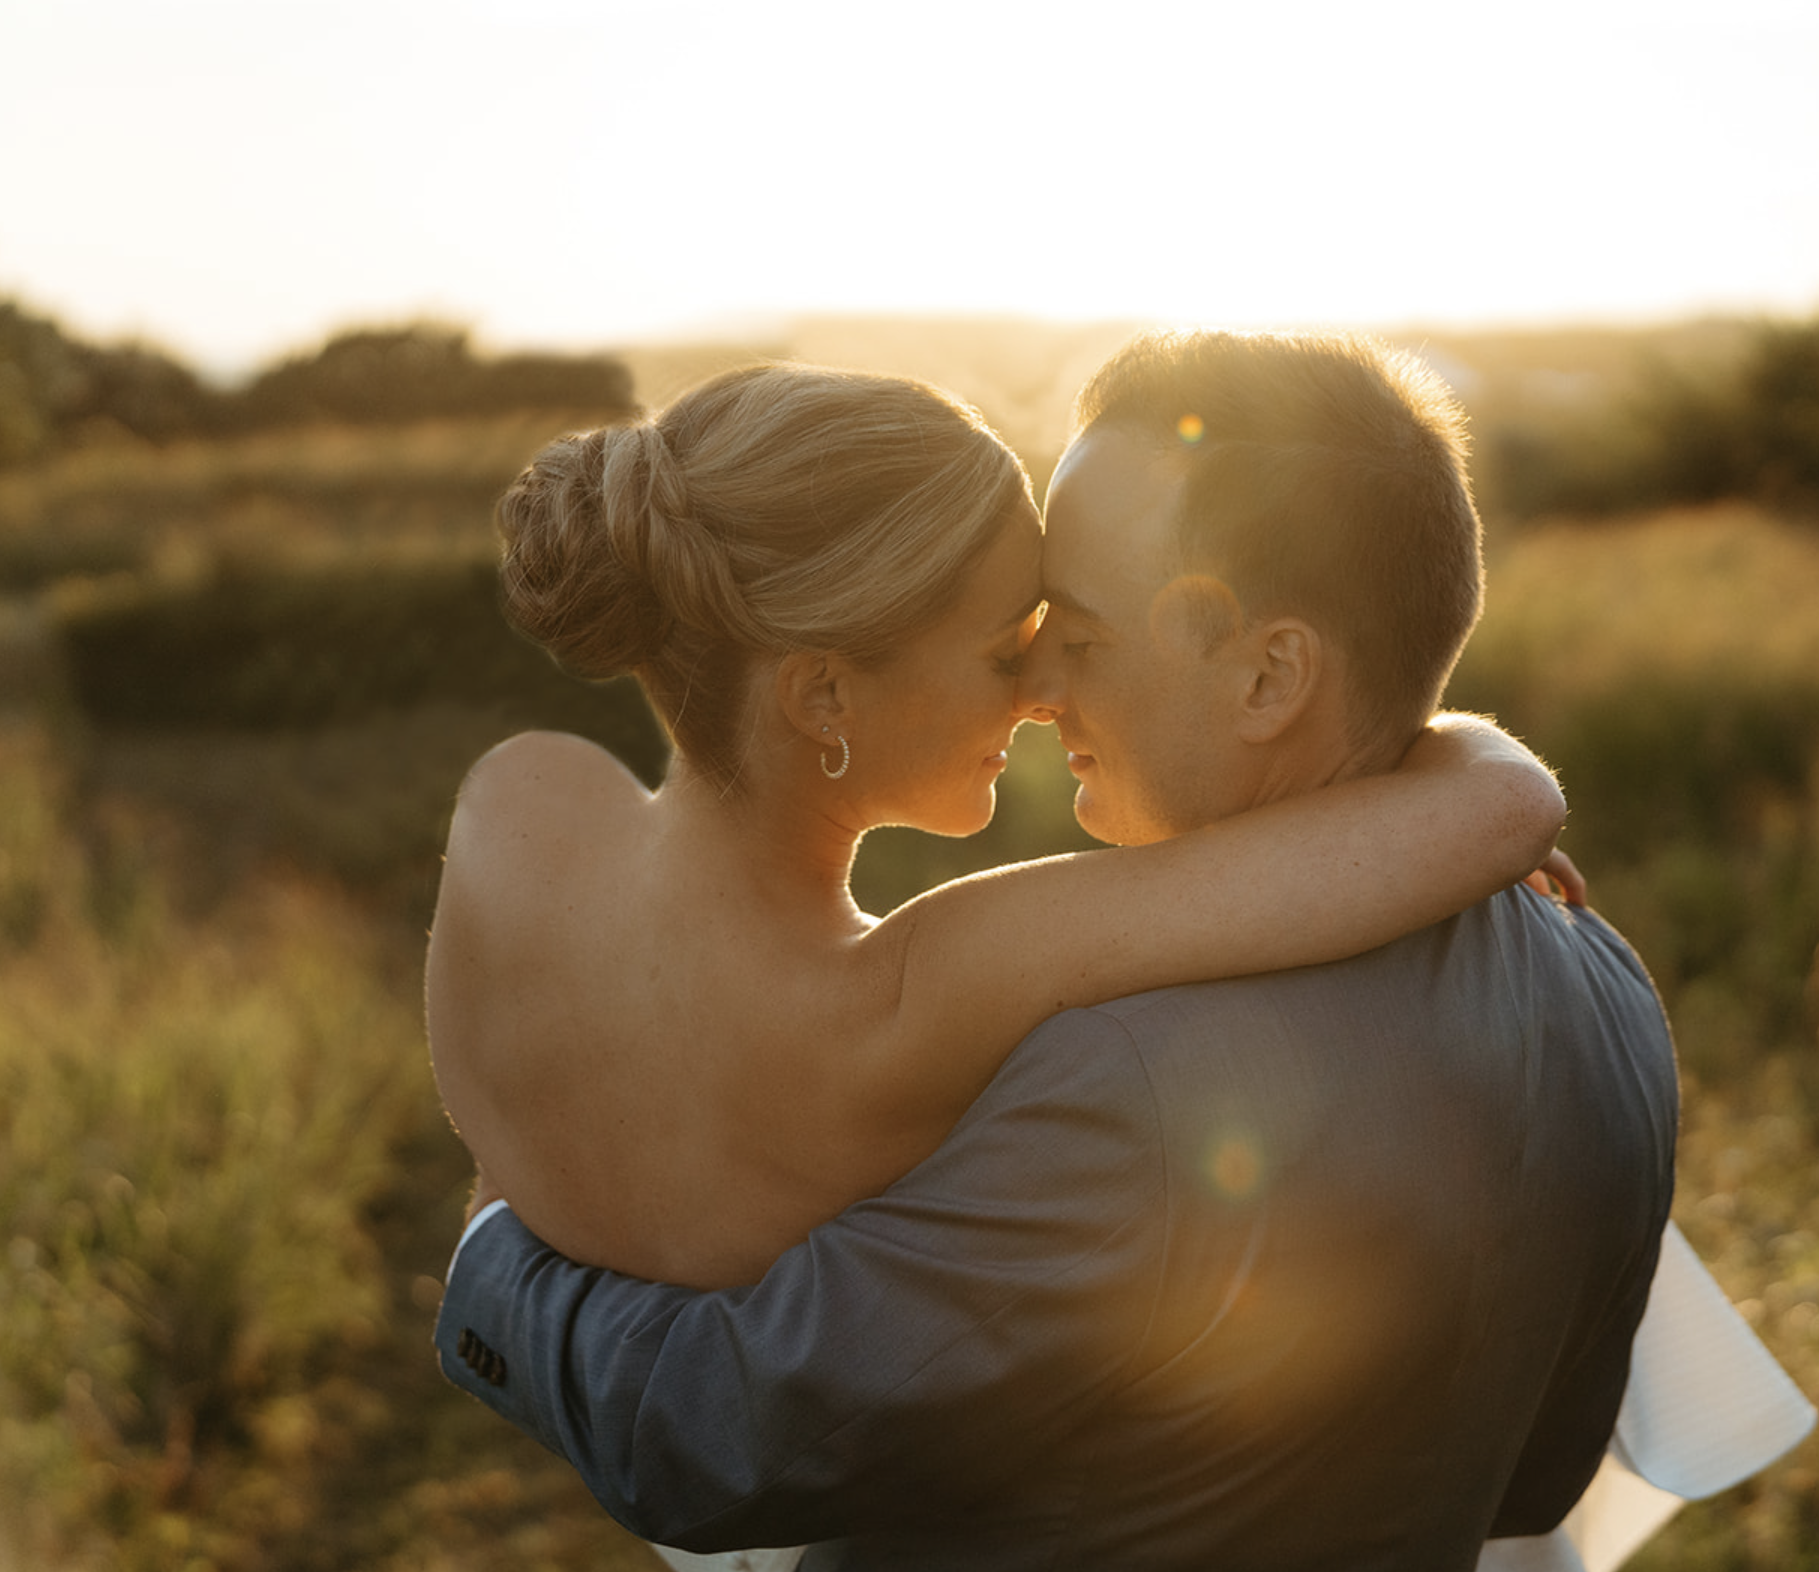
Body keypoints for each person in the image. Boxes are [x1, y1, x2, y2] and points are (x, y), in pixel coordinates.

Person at [435, 333, 1681, 1571]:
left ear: (1268, 677)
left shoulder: (1126, 1085)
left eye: (1078, 636)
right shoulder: (1599, 983)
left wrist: (496, 1245)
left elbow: (705, 1431)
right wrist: (1471, 760)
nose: (1038, 686)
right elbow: (1540, 1476)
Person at [429, 360, 1571, 1293]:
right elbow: (1508, 808)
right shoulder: (916, 991)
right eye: (998, 651)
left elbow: (512, 1176)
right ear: (823, 695)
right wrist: (1437, 747)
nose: (1034, 691)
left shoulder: (510, 815)